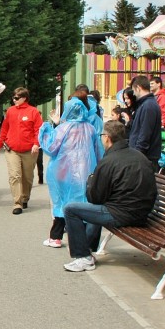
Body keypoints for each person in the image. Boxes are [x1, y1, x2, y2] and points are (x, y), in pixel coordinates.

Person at [61, 119, 157, 272]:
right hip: (143, 212)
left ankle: (83, 256)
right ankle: (88, 249)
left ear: (107, 137)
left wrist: (91, 181)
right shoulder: (139, 156)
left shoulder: (108, 161)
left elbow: (95, 198)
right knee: (98, 207)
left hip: (122, 214)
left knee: (70, 209)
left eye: (102, 136)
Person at [39, 91, 103, 246]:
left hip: (62, 172)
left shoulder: (63, 128)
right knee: (84, 204)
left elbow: (51, 147)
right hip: (86, 173)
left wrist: (46, 129)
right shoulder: (90, 128)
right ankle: (85, 241)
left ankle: (56, 237)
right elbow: (99, 152)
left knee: (61, 202)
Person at [0, 87, 43, 215]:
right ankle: (17, 203)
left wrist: (36, 144)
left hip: (29, 150)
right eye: (13, 97)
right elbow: (4, 128)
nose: (14, 100)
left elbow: (39, 130)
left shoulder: (33, 112)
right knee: (15, 175)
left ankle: (25, 197)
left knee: (27, 177)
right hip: (12, 149)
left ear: (24, 98)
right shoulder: (10, 111)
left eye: (16, 98)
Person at [127, 75, 162, 168]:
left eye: (134, 91)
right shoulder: (145, 104)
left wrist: (137, 155)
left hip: (145, 157)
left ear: (138, 88)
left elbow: (145, 133)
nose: (133, 94)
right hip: (142, 155)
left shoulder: (148, 106)